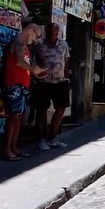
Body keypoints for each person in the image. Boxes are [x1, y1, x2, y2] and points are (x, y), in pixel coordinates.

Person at [3, 23, 45, 161]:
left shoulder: (25, 45)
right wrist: (34, 70)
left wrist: (35, 71)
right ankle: (8, 149)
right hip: (15, 85)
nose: (36, 39)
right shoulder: (20, 41)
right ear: (31, 30)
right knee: (14, 117)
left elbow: (24, 64)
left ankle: (14, 147)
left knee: (19, 117)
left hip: (22, 85)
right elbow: (20, 62)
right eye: (37, 36)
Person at [32, 22, 71, 150]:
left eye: (54, 33)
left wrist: (66, 77)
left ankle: (53, 137)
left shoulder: (63, 44)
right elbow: (33, 59)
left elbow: (66, 60)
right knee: (41, 110)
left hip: (60, 81)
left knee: (60, 109)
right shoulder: (39, 45)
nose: (52, 35)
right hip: (44, 82)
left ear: (58, 32)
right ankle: (41, 139)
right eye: (50, 32)